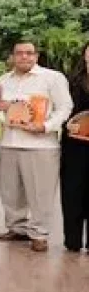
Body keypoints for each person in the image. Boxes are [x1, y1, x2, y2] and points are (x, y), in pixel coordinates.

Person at [0, 40, 73, 252]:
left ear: (36, 56)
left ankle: (39, 233)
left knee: (40, 192)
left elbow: (65, 107)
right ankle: (16, 227)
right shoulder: (3, 80)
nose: (24, 57)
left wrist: (45, 126)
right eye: (19, 53)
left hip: (41, 145)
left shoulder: (52, 78)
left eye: (29, 53)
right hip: (10, 141)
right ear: (13, 56)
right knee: (10, 190)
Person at [61, 42, 89, 252]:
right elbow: (60, 108)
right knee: (72, 191)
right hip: (74, 144)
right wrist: (66, 123)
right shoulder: (71, 81)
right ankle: (72, 240)